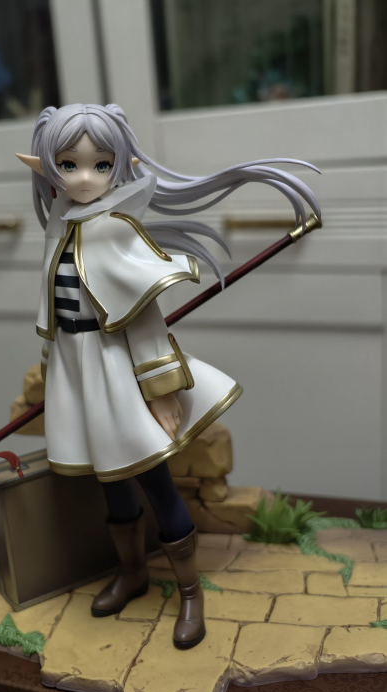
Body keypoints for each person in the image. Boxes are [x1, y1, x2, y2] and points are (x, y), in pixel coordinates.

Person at [16, 103, 320, 649]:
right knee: (112, 482)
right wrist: (53, 374)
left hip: (119, 372)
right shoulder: (59, 223)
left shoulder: (115, 231)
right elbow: (55, 309)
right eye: (68, 164)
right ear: (48, 167)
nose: (84, 178)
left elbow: (144, 321)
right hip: (78, 372)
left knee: (156, 481)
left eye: (100, 165)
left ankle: (189, 592)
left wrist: (159, 392)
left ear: (120, 164)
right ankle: (132, 573)